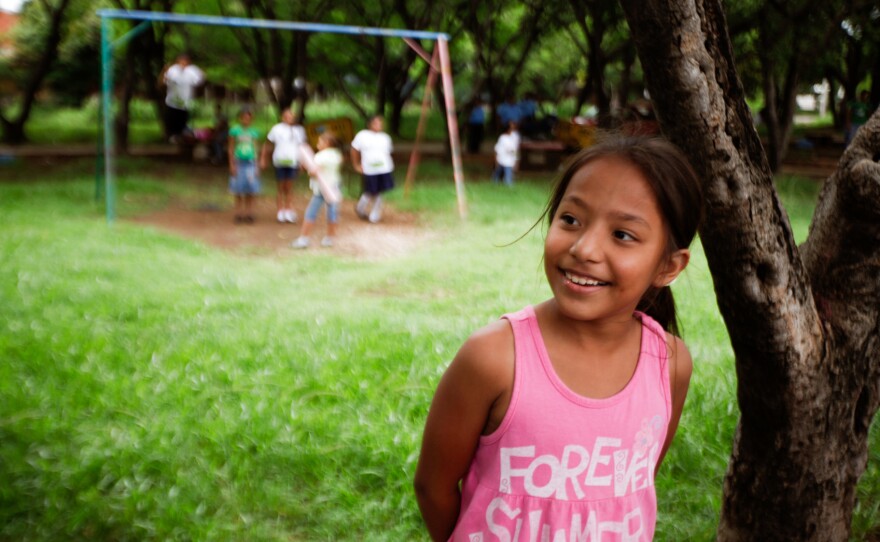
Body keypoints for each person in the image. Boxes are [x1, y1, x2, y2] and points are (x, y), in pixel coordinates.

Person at [414, 136, 703, 542]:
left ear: (669, 267)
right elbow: (433, 486)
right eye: (570, 220)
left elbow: (635, 483)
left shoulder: (669, 363)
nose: (584, 248)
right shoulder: (494, 357)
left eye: (622, 235)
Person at [292, 132, 344, 249]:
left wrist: (306, 166)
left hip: (322, 189)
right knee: (332, 213)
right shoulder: (336, 154)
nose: (318, 143)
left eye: (320, 141)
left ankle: (304, 239)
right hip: (334, 186)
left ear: (327, 143)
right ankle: (330, 238)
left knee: (311, 212)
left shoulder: (321, 156)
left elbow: (314, 172)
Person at [260, 108, 308, 223]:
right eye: (287, 116)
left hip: (293, 161)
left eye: (291, 116)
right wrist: (263, 159)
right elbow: (267, 144)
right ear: (282, 117)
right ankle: (280, 211)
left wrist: (303, 162)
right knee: (281, 187)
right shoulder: (276, 129)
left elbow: (302, 147)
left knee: (289, 187)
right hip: (280, 161)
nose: (289, 118)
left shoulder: (299, 130)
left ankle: (289, 210)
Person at [351, 115, 395, 223]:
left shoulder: (385, 137)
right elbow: (354, 150)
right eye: (376, 123)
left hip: (384, 168)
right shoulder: (362, 135)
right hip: (370, 169)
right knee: (371, 190)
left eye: (380, 123)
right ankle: (361, 207)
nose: (379, 125)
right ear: (369, 124)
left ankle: (374, 213)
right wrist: (356, 164)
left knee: (379, 190)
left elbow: (388, 152)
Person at [227, 108, 261, 224]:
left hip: (250, 162)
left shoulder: (254, 132)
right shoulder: (234, 131)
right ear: (240, 118)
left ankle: (249, 213)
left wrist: (257, 166)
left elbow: (256, 148)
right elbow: (231, 148)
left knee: (251, 189)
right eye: (244, 117)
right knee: (238, 188)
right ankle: (238, 213)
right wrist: (232, 164)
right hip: (239, 161)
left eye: (248, 118)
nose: (246, 120)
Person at [161, 53, 204, 141]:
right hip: (172, 100)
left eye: (185, 61)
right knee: (172, 118)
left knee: (182, 119)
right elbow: (165, 80)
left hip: (185, 100)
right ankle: (172, 135)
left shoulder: (192, 70)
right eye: (181, 61)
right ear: (178, 61)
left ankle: (181, 135)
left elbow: (200, 80)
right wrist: (165, 73)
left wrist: (202, 75)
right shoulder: (173, 69)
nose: (183, 63)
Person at [491, 121, 520, 186]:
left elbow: (516, 150)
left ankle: (508, 184)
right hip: (501, 159)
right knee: (497, 174)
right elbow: (497, 149)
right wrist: (496, 160)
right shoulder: (502, 137)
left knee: (508, 178)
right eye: (511, 128)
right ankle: (494, 183)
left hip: (509, 161)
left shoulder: (515, 137)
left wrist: (516, 160)